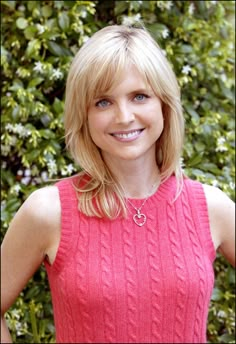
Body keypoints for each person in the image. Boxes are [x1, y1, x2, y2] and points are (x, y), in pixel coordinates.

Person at [1, 24, 235, 344]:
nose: (124, 116)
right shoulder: (48, 211)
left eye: (139, 96)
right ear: (83, 115)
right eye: (103, 102)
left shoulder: (211, 208)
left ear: (164, 104)